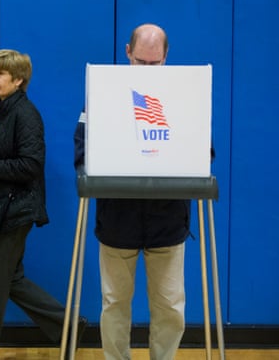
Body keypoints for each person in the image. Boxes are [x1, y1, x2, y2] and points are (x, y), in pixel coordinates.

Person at [0, 49, 86, 360]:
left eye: (0, 74)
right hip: (9, 207)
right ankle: (69, 327)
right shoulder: (4, 109)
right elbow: (6, 159)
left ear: (18, 80)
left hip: (16, 209)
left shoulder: (25, 114)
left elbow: (31, 166)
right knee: (11, 279)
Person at [74, 23, 189, 360]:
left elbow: (203, 152)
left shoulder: (184, 97)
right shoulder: (101, 93)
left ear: (166, 56)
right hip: (116, 220)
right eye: (141, 62)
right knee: (114, 306)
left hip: (167, 221)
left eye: (156, 64)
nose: (149, 70)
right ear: (127, 53)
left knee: (170, 308)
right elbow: (80, 151)